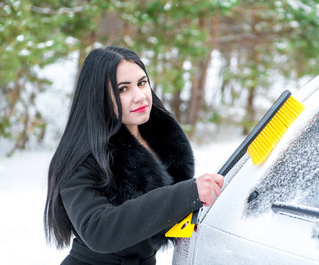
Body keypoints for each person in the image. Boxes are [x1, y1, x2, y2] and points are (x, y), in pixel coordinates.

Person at [44, 46, 224, 264]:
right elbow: (98, 230)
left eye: (142, 83)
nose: (140, 97)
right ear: (99, 97)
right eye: (123, 89)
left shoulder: (164, 144)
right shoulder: (82, 158)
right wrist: (185, 194)